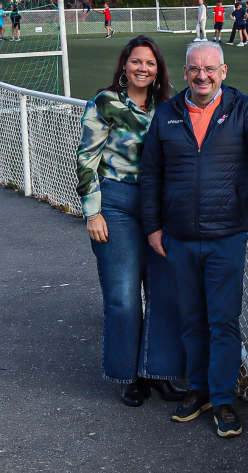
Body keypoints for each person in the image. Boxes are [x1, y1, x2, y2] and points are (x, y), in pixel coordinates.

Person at [140, 41, 248, 438]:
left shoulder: (243, 108)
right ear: (185, 72)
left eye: (210, 69)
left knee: (223, 321)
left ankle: (222, 399)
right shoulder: (167, 114)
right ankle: (198, 389)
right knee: (191, 319)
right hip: (179, 237)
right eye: (195, 69)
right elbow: (150, 175)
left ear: (223, 71)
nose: (202, 76)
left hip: (226, 236)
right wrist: (153, 227)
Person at [75, 35, 185, 407]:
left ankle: (159, 372)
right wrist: (93, 212)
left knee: (164, 293)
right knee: (123, 296)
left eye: (150, 63)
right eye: (136, 61)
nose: (143, 68)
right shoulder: (104, 103)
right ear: (125, 64)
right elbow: (86, 159)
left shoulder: (168, 106)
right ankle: (129, 375)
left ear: (158, 69)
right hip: (116, 204)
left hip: (161, 208)